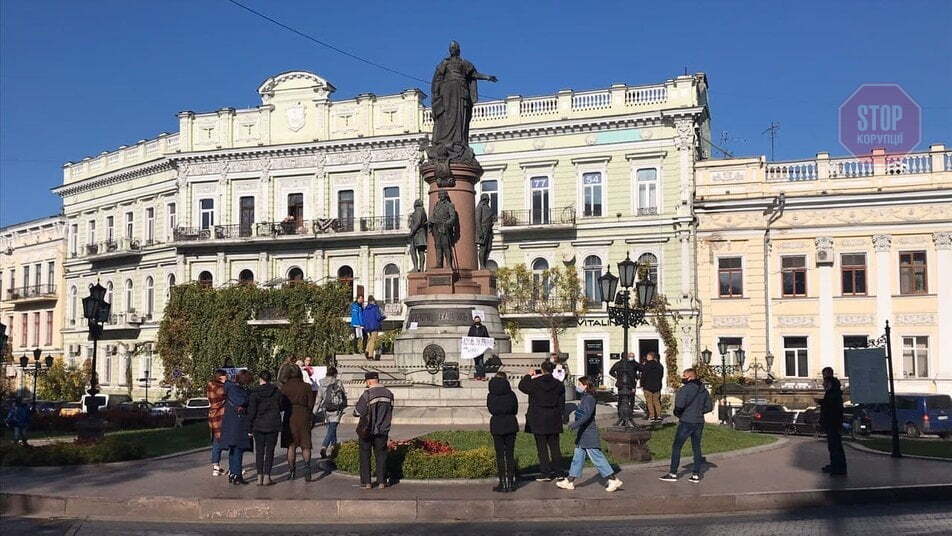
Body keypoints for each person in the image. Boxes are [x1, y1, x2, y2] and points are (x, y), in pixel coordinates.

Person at [556, 376, 623, 492]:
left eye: (580, 384)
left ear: (586, 385)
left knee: (597, 457)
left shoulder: (589, 398)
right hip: (583, 433)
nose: (578, 386)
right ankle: (570, 481)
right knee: (578, 457)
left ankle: (613, 479)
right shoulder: (586, 397)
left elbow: (586, 415)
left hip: (588, 432)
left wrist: (575, 424)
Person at [660, 368, 713, 483]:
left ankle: (673, 473)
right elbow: (709, 407)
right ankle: (696, 474)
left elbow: (679, 406)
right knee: (696, 447)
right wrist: (699, 412)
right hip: (699, 421)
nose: (682, 378)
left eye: (684, 376)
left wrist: (679, 413)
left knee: (677, 446)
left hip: (687, 421)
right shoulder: (704, 390)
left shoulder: (684, 389)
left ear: (689, 377)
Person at [518, 360, 565, 481]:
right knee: (555, 447)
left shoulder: (535, 383)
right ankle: (559, 471)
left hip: (538, 418)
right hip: (554, 417)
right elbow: (561, 402)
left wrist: (529, 375)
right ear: (553, 369)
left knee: (542, 447)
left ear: (542, 370)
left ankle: (546, 472)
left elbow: (522, 386)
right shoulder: (558, 384)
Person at [354, 371, 394, 489]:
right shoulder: (389, 394)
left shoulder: (367, 394)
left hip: (367, 430)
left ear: (369, 381)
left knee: (365, 454)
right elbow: (390, 410)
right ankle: (381, 481)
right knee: (381, 455)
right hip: (383, 430)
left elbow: (357, 412)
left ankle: (367, 482)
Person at [280, 366, 316, 481]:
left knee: (291, 445)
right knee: (306, 444)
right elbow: (311, 404)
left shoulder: (285, 387)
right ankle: (307, 468)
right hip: (304, 415)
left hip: (290, 416)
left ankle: (292, 471)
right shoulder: (307, 386)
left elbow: (281, 405)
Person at [247, 370, 281, 486]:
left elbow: (251, 412)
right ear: (270, 379)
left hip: (258, 425)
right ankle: (267, 477)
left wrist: (249, 427)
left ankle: (259, 477)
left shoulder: (254, 393)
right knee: (270, 451)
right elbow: (281, 406)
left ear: (260, 379)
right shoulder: (276, 392)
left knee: (259, 451)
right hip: (272, 425)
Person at [487, 372, 518, 492]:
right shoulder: (511, 394)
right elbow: (515, 409)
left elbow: (491, 409)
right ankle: (510, 482)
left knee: (500, 455)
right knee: (510, 454)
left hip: (497, 424)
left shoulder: (491, 395)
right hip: (510, 423)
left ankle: (502, 482)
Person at [221, 370, 253, 485]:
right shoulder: (238, 391)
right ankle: (237, 475)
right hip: (238, 423)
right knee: (238, 449)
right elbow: (242, 401)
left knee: (233, 450)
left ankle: (232, 474)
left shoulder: (230, 388)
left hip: (230, 423)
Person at [820, 367, 847, 476]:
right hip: (833, 421)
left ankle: (838, 467)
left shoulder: (832, 392)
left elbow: (831, 406)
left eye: (824, 381)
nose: (823, 384)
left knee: (835, 445)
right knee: (834, 445)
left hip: (833, 422)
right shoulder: (835, 391)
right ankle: (836, 465)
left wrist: (822, 403)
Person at [316, 366, 347, 459]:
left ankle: (334, 450)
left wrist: (314, 412)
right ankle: (324, 447)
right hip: (336, 409)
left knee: (332, 429)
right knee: (332, 429)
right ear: (335, 374)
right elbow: (343, 395)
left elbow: (318, 399)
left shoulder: (321, 383)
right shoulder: (338, 382)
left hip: (326, 409)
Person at [205, 369, 228, 476]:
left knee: (216, 441)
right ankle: (234, 467)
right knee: (228, 440)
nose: (227, 378)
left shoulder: (210, 385)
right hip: (220, 416)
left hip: (213, 416)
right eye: (225, 376)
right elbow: (225, 393)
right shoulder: (219, 388)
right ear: (221, 377)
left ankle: (216, 466)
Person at [609, 353, 642, 426]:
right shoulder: (630, 364)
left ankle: (621, 416)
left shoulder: (618, 364)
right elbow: (640, 368)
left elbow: (611, 372)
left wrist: (617, 377)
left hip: (621, 385)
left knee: (621, 401)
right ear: (626, 357)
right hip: (629, 385)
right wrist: (637, 377)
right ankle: (628, 415)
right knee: (630, 401)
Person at [641, 352, 665, 423]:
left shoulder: (647, 365)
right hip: (657, 386)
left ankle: (652, 416)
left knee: (649, 402)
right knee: (657, 401)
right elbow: (661, 376)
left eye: (647, 356)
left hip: (648, 386)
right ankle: (659, 416)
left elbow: (643, 376)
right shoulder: (660, 365)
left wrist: (642, 384)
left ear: (650, 357)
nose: (646, 357)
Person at [362, 296, 386, 360]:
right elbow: (378, 317)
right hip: (375, 326)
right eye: (374, 301)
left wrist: (365, 326)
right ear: (372, 301)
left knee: (370, 339)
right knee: (373, 341)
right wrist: (383, 317)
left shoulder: (365, 309)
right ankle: (370, 356)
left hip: (368, 327)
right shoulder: (375, 308)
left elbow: (363, 319)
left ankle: (367, 351)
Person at [468, 315, 490, 381]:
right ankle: (478, 375)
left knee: (481, 362)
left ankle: (482, 375)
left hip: (481, 348)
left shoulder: (483, 328)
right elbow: (469, 337)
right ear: (474, 321)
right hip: (474, 348)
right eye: (476, 320)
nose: (477, 321)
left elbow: (487, 336)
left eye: (478, 320)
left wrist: (490, 342)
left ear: (480, 320)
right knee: (476, 363)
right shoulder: (472, 328)